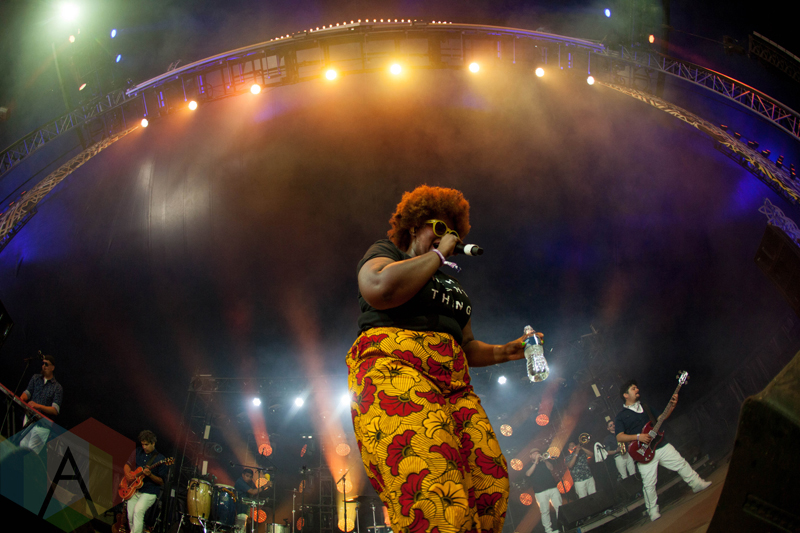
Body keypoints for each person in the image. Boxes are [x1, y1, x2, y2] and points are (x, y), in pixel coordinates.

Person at [348, 185, 540, 533]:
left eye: (453, 232)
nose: (447, 236)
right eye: (439, 228)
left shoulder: (450, 284)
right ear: (414, 227)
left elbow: (467, 345)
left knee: (490, 482)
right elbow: (378, 286)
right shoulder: (387, 253)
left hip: (453, 386)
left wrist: (504, 352)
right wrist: (437, 255)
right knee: (433, 486)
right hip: (395, 371)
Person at [614, 380, 711, 522]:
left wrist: (672, 406)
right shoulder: (621, 416)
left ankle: (696, 483)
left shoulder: (645, 406)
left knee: (681, 463)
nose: (637, 390)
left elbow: (661, 418)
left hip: (660, 444)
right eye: (633, 388)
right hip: (643, 452)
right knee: (649, 483)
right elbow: (619, 436)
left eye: (637, 387)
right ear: (625, 395)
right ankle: (652, 510)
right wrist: (639, 437)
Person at [124, 430, 168, 533]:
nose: (144, 447)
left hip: (150, 491)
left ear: (153, 443)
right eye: (143, 444)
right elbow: (127, 465)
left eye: (146, 445)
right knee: (130, 516)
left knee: (138, 511)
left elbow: (161, 481)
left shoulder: (161, 459)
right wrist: (127, 474)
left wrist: (150, 475)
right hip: (134, 489)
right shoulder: (138, 451)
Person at [19, 355, 63, 454]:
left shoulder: (57, 387)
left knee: (30, 453)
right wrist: (22, 398)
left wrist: (38, 406)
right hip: (29, 419)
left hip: (42, 426)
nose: (44, 366)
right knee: (21, 447)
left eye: (46, 364)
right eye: (43, 363)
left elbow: (55, 410)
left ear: (52, 368)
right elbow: (27, 392)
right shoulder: (36, 378)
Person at [525, 448, 561, 533]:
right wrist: (535, 462)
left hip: (552, 488)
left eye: (538, 453)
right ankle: (548, 530)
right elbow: (528, 474)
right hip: (540, 492)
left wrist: (545, 460)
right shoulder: (529, 465)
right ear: (530, 456)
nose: (536, 454)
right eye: (534, 453)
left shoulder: (544, 462)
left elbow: (551, 468)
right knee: (545, 511)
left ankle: (562, 526)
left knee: (559, 508)